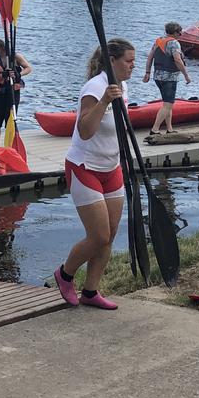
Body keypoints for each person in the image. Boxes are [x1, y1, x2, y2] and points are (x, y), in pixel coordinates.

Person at [53, 38, 134, 312]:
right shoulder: (95, 87)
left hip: (112, 168)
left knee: (109, 236)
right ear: (112, 61)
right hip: (84, 167)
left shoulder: (123, 87)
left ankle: (90, 291)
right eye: (128, 61)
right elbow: (86, 130)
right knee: (98, 235)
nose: (133, 66)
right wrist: (104, 102)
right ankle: (64, 274)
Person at [142, 21, 192, 134]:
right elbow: (178, 60)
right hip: (169, 78)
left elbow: (150, 58)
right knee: (167, 105)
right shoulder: (174, 43)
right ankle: (155, 129)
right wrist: (186, 75)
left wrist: (147, 72)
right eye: (180, 33)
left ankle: (169, 129)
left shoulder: (159, 41)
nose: (181, 35)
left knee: (168, 104)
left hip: (157, 77)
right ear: (175, 33)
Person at [0, 35, 33, 147]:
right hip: (0, 93)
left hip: (12, 92)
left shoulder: (14, 56)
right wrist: (3, 75)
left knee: (10, 120)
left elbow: (28, 68)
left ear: (0, 46)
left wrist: (19, 74)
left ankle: (9, 146)